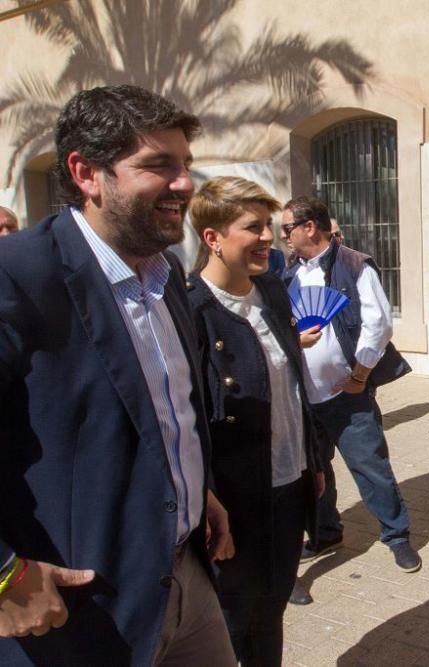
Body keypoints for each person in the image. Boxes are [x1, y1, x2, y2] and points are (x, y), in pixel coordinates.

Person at [0, 84, 236, 665]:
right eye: (158, 165)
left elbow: (161, 407)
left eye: (185, 165)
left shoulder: (167, 272)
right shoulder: (18, 274)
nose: (184, 183)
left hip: (188, 579)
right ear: (86, 172)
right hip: (84, 614)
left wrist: (193, 486)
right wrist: (4, 575)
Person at [186, 176, 324, 665]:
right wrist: (203, 501)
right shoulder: (190, 311)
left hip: (289, 488)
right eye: (253, 227)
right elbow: (187, 420)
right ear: (213, 239)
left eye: (269, 225)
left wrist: (314, 458)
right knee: (230, 620)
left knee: (271, 612)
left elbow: (294, 387)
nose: (269, 236)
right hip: (232, 505)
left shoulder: (272, 291)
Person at [279, 196, 418, 577]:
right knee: (313, 472)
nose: (283, 236)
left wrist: (359, 376)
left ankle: (397, 535)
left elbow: (379, 324)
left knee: (370, 466)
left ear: (310, 227)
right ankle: (326, 534)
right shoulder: (288, 274)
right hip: (305, 398)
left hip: (346, 394)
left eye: (287, 228)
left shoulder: (354, 265)